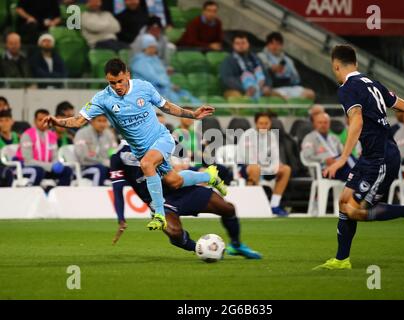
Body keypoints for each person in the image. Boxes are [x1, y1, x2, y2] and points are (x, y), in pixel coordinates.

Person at [44, 58, 227, 231]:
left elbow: (167, 107)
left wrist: (193, 115)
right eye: (112, 83)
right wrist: (57, 121)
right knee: (175, 181)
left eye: (120, 81)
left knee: (147, 164)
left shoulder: (144, 87)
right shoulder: (102, 99)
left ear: (128, 75)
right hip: (141, 150)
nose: (117, 87)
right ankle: (209, 176)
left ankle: (159, 215)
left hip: (161, 139)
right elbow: (78, 121)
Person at [314, 45, 404, 270]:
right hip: (371, 155)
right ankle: (341, 259)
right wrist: (381, 113)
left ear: (336, 66)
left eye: (334, 68)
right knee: (343, 201)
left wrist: (342, 158)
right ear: (355, 63)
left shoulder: (347, 88)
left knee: (354, 211)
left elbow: (356, 121)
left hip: (381, 158)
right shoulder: (372, 83)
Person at [110, 141, 261, 259]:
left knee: (227, 208)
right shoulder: (118, 157)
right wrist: (121, 219)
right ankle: (200, 249)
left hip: (182, 189)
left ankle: (236, 245)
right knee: (174, 232)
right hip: (160, 202)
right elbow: (117, 190)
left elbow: (180, 148)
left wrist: (189, 158)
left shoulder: (154, 137)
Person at [237, 112, 291, 217]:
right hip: (246, 168)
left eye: (266, 123)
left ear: (270, 123)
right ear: (256, 123)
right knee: (255, 168)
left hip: (265, 168)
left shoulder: (272, 136)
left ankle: (274, 206)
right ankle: (252, 205)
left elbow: (275, 157)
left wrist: (276, 166)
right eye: (261, 123)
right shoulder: (248, 135)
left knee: (285, 169)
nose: (263, 126)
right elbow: (248, 159)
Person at [130, 34, 199, 105]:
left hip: (164, 87)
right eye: (152, 47)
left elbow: (163, 74)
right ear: (145, 47)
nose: (154, 49)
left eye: (154, 47)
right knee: (174, 98)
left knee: (186, 95)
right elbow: (153, 77)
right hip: (152, 90)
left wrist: (170, 85)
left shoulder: (155, 59)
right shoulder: (140, 61)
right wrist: (170, 86)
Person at [16, 109, 73, 187]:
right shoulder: (27, 135)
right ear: (34, 121)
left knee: (67, 171)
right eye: (40, 120)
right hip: (27, 168)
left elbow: (55, 156)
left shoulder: (52, 135)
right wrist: (50, 166)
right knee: (39, 171)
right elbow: (28, 161)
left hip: (46, 168)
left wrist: (56, 164)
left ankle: (55, 195)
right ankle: (34, 197)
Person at [258, 32, 315, 101]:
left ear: (281, 46)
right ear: (267, 45)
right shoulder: (261, 56)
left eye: (278, 44)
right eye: (272, 43)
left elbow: (296, 78)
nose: (274, 46)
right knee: (275, 95)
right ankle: (292, 104)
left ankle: (294, 104)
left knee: (310, 93)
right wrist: (275, 69)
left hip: (289, 87)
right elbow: (267, 70)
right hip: (273, 87)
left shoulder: (288, 60)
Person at [302, 112, 355, 181]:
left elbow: (343, 153)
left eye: (325, 122)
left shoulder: (334, 138)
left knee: (349, 157)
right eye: (320, 122)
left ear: (329, 124)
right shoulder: (309, 138)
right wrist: (324, 160)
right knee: (353, 174)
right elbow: (308, 156)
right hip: (323, 169)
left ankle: (358, 176)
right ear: (314, 124)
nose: (323, 125)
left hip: (339, 165)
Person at [220, 32, 272, 101]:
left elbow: (266, 75)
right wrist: (245, 88)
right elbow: (227, 79)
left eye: (243, 43)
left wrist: (267, 86)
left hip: (259, 87)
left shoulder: (256, 59)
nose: (241, 46)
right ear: (233, 45)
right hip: (238, 89)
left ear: (248, 44)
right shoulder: (229, 60)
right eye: (238, 43)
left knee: (276, 96)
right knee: (236, 97)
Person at [74, 115, 118, 186]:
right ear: (92, 121)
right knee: (100, 170)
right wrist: (103, 161)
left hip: (106, 166)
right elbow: (82, 155)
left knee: (119, 171)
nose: (102, 124)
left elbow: (114, 152)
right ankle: (98, 196)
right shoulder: (82, 133)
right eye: (99, 121)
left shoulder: (109, 134)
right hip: (86, 167)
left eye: (104, 121)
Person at [0, 109, 18, 187]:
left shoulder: (16, 136)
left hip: (17, 166)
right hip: (2, 167)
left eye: (7, 120)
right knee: (8, 173)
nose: (4, 124)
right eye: (1, 121)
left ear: (12, 121)